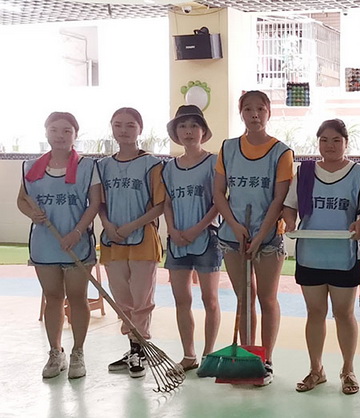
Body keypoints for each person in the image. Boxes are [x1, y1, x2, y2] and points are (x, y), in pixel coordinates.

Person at [283, 119, 360, 395]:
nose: (330, 145)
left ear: (346, 143)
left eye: (336, 140)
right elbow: (289, 206)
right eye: (324, 140)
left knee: (344, 314)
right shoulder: (305, 172)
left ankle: (348, 370)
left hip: (344, 256)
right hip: (310, 255)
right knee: (314, 313)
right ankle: (316, 369)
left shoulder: (359, 174)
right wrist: (290, 222)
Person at [213, 90, 293, 385]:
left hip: (267, 237)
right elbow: (218, 193)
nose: (254, 114)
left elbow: (279, 199)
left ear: (269, 113)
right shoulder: (228, 148)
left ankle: (266, 359)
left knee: (267, 298)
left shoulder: (281, 152)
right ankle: (248, 357)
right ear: (241, 113)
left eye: (260, 109)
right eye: (248, 109)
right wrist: (234, 226)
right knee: (243, 298)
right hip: (233, 236)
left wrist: (260, 235)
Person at [18, 112, 101, 379]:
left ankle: (78, 352)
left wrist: (77, 232)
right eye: (54, 129)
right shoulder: (31, 167)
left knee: (77, 297)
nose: (60, 135)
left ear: (75, 135)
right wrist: (32, 214)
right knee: (53, 297)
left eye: (67, 130)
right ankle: (56, 352)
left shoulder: (88, 166)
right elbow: (22, 200)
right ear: (46, 133)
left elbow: (95, 203)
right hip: (46, 244)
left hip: (76, 244)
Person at [98, 107, 165, 379]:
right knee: (122, 300)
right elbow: (99, 202)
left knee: (142, 299)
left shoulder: (152, 164)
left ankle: (139, 347)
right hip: (113, 241)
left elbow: (160, 205)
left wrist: (132, 226)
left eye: (130, 125)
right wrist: (107, 224)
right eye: (118, 125)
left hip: (142, 240)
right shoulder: (103, 166)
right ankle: (133, 347)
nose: (123, 130)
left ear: (140, 129)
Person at [161, 105, 221, 371]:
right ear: (176, 132)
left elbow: (219, 201)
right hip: (177, 241)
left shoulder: (214, 162)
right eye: (183, 126)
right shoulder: (169, 168)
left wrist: (198, 228)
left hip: (207, 238)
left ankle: (209, 355)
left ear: (203, 131)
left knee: (210, 299)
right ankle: (188, 355)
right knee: (181, 300)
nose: (188, 131)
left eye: (194, 126)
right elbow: (167, 202)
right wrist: (172, 230)